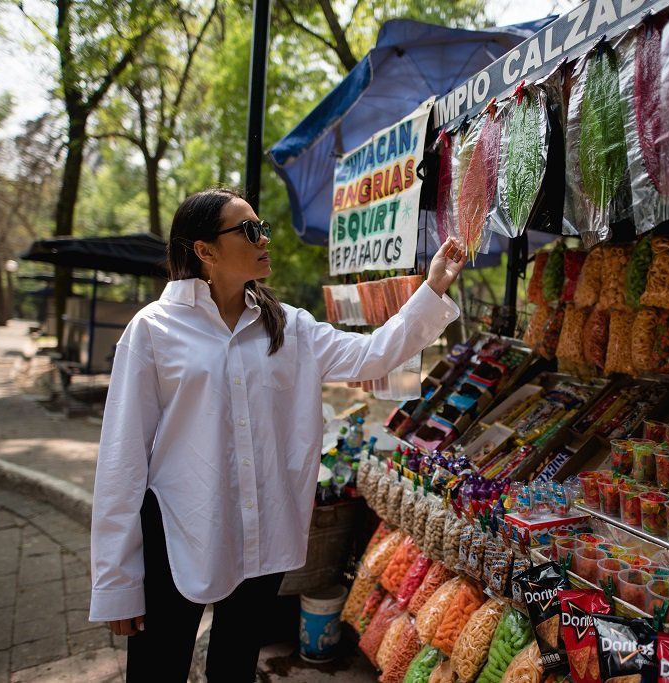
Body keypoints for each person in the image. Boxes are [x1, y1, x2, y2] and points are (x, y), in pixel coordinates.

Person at [89, 187, 465, 682]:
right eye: (248, 230)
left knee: (236, 665)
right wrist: (117, 582)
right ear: (204, 250)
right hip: (178, 528)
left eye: (261, 226)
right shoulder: (154, 331)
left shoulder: (288, 327)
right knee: (158, 668)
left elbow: (374, 355)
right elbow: (122, 459)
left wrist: (433, 288)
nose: (263, 237)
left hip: (261, 527)